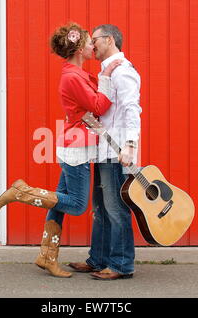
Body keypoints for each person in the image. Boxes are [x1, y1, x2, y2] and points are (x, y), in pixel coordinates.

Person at [0, 22, 121, 278]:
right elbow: (98, 106)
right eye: (87, 42)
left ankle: (47, 256)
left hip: (75, 145)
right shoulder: (72, 77)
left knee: (59, 204)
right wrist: (106, 78)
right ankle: (22, 192)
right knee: (75, 205)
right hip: (77, 148)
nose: (91, 45)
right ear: (77, 49)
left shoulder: (76, 74)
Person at [68, 24, 142, 280]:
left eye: (95, 40)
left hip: (118, 153)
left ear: (109, 40)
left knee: (116, 209)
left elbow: (132, 109)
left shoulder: (123, 71)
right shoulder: (106, 73)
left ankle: (122, 265)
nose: (92, 45)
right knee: (100, 210)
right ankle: (98, 260)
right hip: (104, 151)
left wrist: (131, 145)